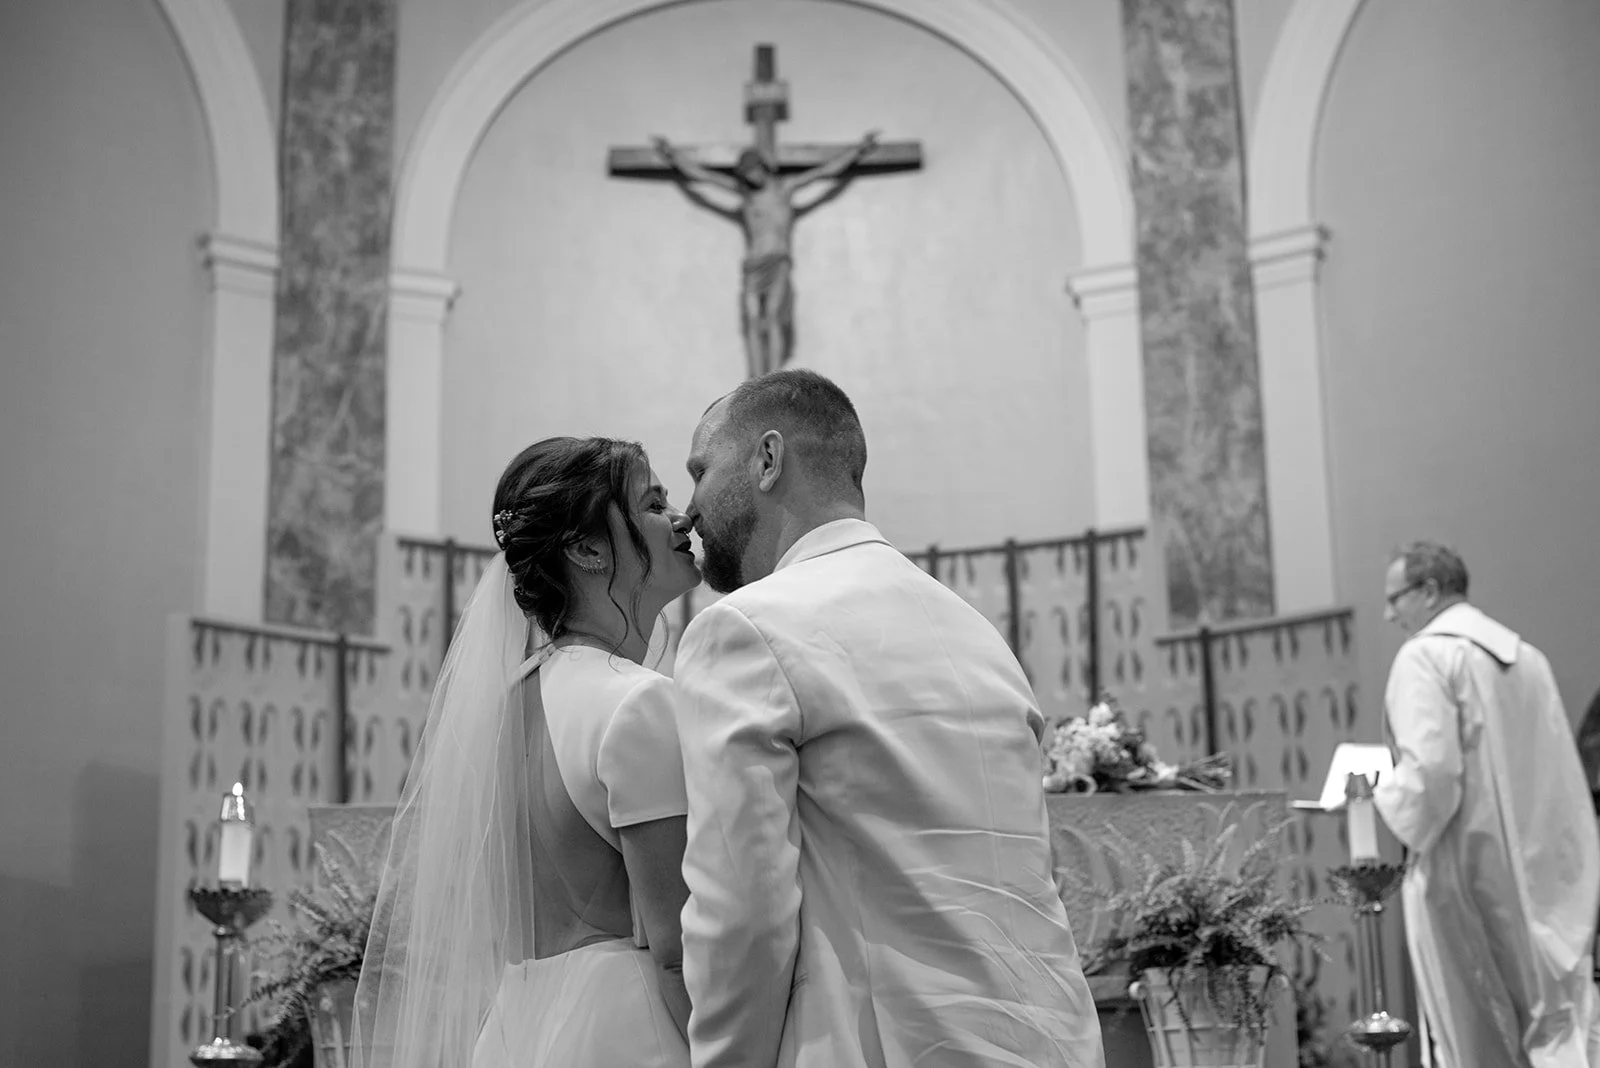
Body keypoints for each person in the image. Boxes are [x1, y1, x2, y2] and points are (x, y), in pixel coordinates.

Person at [672, 369, 1104, 1068]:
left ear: (767, 459)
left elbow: (743, 918)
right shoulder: (977, 634)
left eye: (700, 469)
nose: (688, 508)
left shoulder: (745, 630)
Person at [353, 437, 702, 1068]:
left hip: (519, 1026)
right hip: (628, 1032)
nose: (681, 520)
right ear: (588, 548)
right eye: (652, 502)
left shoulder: (506, 705)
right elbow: (674, 946)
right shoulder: (639, 705)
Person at [1373, 541, 1600, 1068]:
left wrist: (1373, 792)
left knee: (1480, 1037)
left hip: (1469, 876)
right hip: (1547, 882)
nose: (1388, 614)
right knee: (1557, 1032)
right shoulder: (1527, 657)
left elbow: (1431, 778)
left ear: (1429, 591)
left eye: (1395, 598)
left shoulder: (1425, 656)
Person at [651, 133, 879, 379]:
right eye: (746, 174)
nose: (751, 177)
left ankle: (773, 377)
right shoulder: (746, 196)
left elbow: (824, 172)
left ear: (763, 167)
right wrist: (672, 155)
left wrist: (857, 151)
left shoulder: (785, 188)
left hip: (778, 260)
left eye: (754, 170)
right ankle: (755, 378)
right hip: (753, 264)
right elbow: (703, 177)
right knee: (751, 319)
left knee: (772, 316)